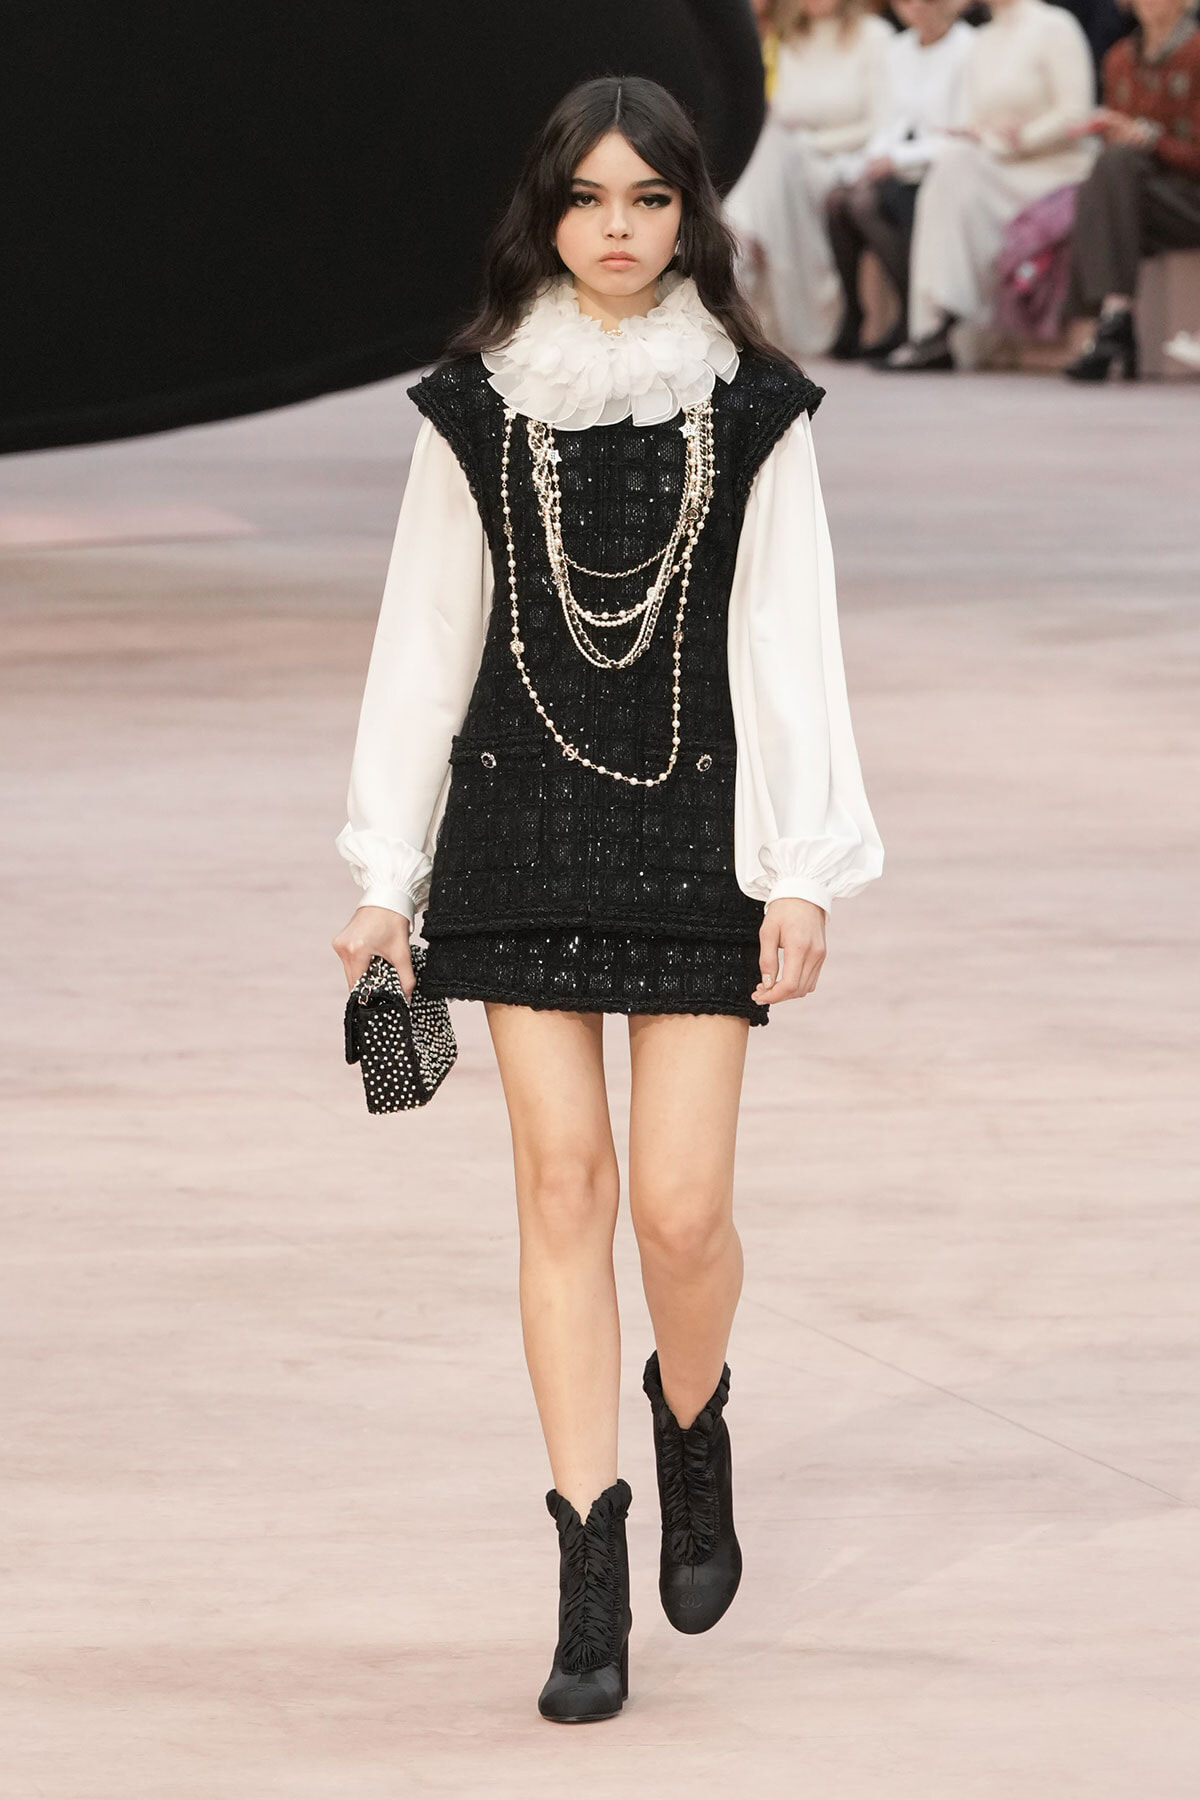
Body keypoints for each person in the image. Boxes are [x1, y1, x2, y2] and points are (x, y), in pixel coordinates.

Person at [331, 76, 883, 1723]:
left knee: (679, 1212)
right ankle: (588, 1569)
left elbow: (794, 647)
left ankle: (692, 1415)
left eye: (650, 199)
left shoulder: (755, 405)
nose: (620, 229)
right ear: (547, 215)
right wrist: (381, 876)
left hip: (701, 841)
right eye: (590, 199)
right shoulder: (478, 406)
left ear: (691, 214)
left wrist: (803, 869)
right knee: (563, 1192)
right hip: (516, 830)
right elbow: (423, 641)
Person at [882, 0, 1096, 369]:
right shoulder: (983, 40)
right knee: (951, 164)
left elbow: (1077, 113)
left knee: (955, 171)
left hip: (1056, 170)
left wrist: (1023, 137)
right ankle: (936, 323)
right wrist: (979, 135)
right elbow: (974, 121)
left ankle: (944, 324)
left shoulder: (1055, 26)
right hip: (1000, 168)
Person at [724, 0, 895, 356]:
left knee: (772, 152)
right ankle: (744, 244)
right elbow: (777, 115)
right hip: (786, 166)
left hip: (848, 164)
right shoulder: (787, 41)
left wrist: (809, 143)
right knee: (770, 147)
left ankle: (737, 256)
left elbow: (882, 123)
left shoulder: (874, 37)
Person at [825, 0, 975, 360]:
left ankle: (911, 315)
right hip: (895, 168)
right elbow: (887, 121)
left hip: (939, 170)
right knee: (838, 200)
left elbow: (960, 130)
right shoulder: (897, 50)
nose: (912, 8)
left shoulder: (969, 47)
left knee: (863, 204)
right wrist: (875, 160)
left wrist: (897, 159)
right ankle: (854, 313)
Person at [1063, 0, 1200, 381]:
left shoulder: (1196, 52)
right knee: (1108, 171)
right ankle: (1115, 316)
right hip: (1147, 196)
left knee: (1111, 172)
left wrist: (1150, 140)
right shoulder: (1119, 58)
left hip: (1191, 195)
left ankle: (1113, 325)